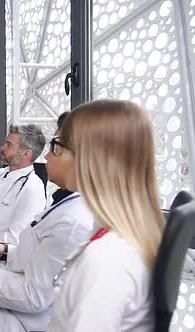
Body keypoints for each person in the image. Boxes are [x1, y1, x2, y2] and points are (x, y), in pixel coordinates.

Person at [0, 118, 93, 331]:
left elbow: (34, 296)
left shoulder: (72, 220)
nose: (46, 156)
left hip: (24, 318)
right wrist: (5, 250)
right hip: (3, 284)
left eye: (55, 148)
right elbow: (41, 255)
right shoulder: (66, 204)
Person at [48, 99, 165, 331]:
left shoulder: (107, 261)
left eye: (58, 145)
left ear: (89, 159)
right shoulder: (126, 238)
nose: (51, 155)